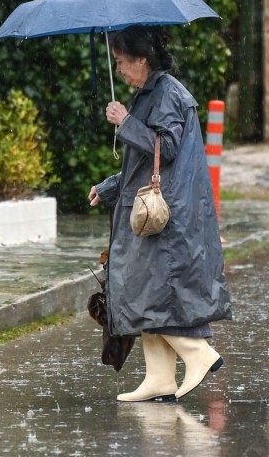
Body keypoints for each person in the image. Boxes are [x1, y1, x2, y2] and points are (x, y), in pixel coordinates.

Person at [88, 25, 232, 402]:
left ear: (142, 59)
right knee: (146, 292)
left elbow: (164, 148)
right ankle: (160, 378)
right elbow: (143, 165)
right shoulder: (150, 94)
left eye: (122, 62)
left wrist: (125, 122)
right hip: (158, 208)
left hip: (169, 216)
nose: (119, 70)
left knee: (146, 292)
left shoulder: (168, 94)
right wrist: (108, 187)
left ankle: (198, 355)